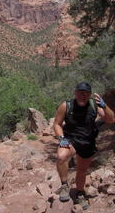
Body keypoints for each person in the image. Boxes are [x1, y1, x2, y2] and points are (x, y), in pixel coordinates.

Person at [53, 82, 114, 210]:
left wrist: (104, 105)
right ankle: (64, 186)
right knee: (61, 156)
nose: (83, 96)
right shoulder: (66, 105)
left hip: (88, 141)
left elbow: (111, 119)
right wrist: (62, 138)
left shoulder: (94, 105)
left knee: (81, 170)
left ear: (90, 95)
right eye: (80, 93)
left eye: (86, 93)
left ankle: (80, 193)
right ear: (75, 93)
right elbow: (57, 124)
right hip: (71, 139)